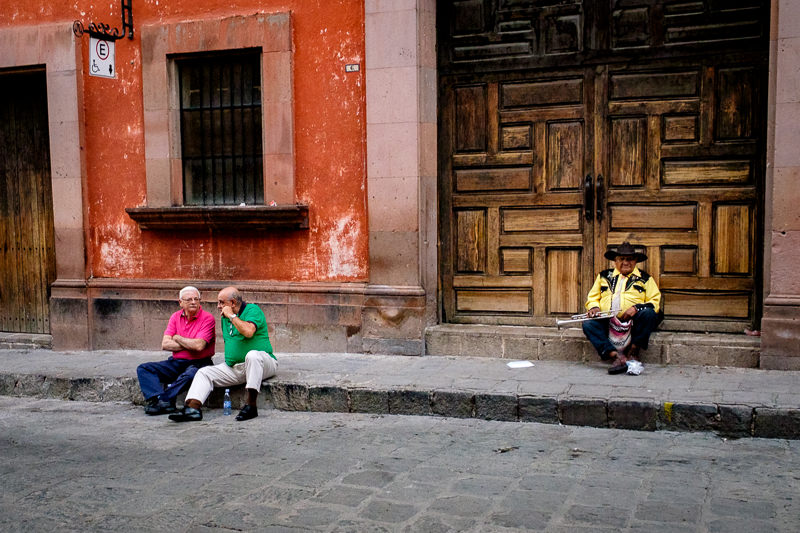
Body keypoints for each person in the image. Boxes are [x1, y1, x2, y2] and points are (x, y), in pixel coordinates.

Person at [169, 286, 277, 422]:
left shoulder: (252, 310)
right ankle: (192, 409)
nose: (218, 306)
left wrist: (232, 316)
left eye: (221, 302)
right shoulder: (226, 318)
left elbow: (248, 332)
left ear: (232, 303)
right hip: (236, 367)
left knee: (253, 355)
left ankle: (251, 405)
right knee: (204, 372)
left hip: (263, 364)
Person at [582, 242, 662, 375]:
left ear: (635, 261)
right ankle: (616, 356)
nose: (625, 262)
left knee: (648, 314)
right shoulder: (603, 276)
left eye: (629, 259)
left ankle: (633, 352)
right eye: (621, 259)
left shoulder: (645, 278)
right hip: (608, 320)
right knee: (588, 324)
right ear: (615, 261)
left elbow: (654, 302)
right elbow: (593, 297)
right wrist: (594, 307)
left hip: (633, 322)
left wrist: (637, 308)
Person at [136, 286, 216, 415]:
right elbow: (165, 344)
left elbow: (199, 346)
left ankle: (163, 400)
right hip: (176, 362)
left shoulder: (207, 318)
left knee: (192, 374)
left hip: (199, 362)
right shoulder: (175, 317)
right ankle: (159, 400)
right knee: (144, 368)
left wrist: (178, 338)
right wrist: (190, 342)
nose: (193, 302)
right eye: (189, 299)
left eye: (196, 299)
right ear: (180, 302)